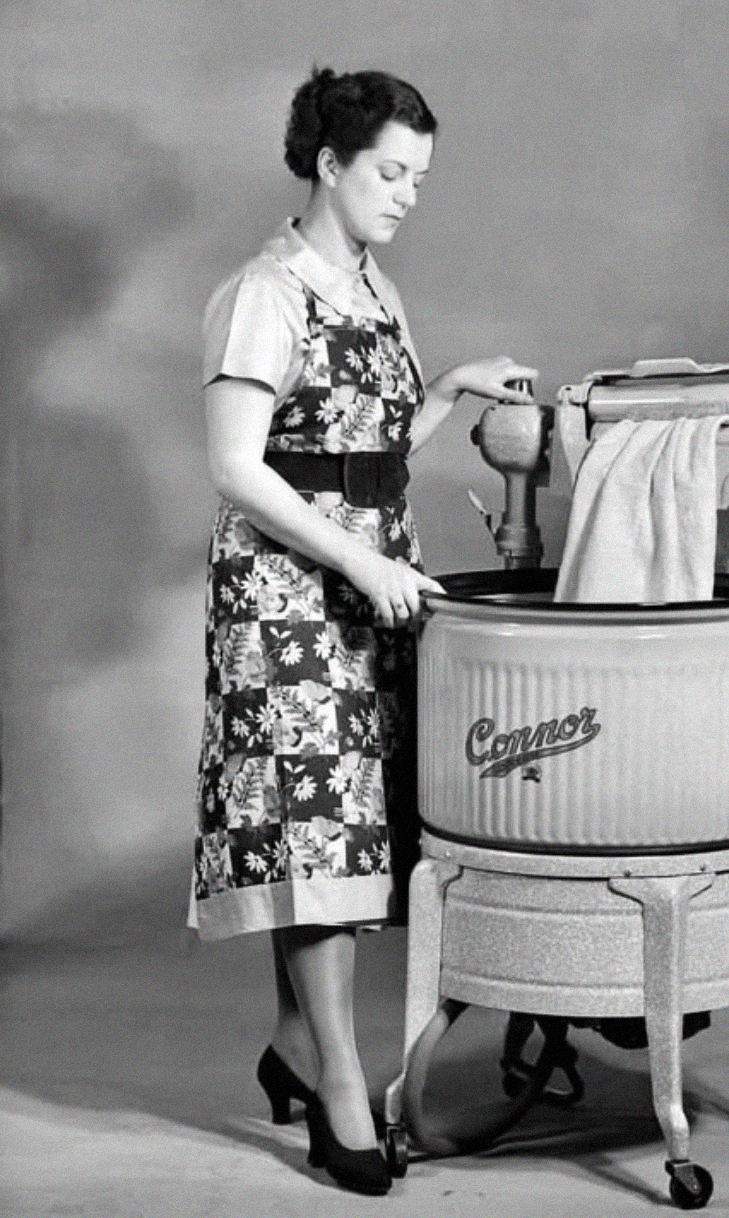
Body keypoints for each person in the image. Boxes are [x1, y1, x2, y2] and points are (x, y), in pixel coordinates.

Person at [188, 66, 537, 1195]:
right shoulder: (264, 293)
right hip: (289, 591)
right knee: (318, 836)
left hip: (368, 575)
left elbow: (361, 447)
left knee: (350, 824)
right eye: (391, 173)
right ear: (328, 165)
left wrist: (447, 395)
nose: (407, 196)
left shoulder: (374, 286)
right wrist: (356, 559)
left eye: (420, 178)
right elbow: (241, 466)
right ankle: (340, 1086)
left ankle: (296, 1047)